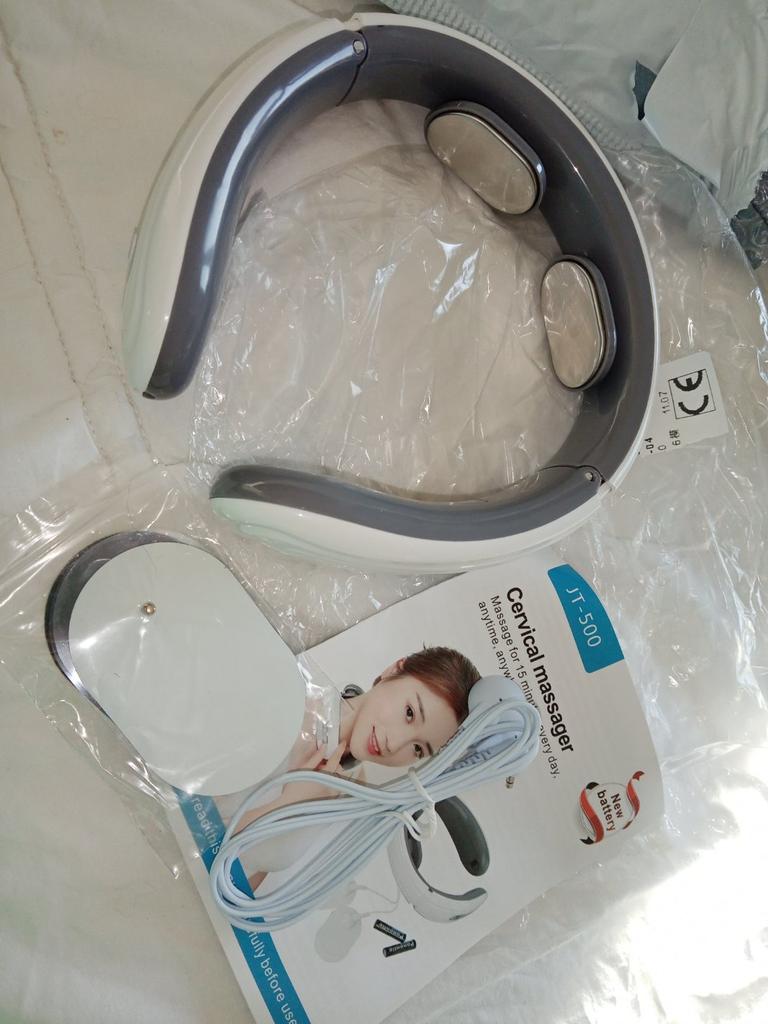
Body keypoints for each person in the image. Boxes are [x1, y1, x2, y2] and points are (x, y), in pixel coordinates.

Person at [231, 646, 481, 887]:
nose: (394, 744)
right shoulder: (292, 698)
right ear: (394, 670)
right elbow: (208, 826)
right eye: (409, 713)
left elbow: (253, 872)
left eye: (418, 749)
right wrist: (286, 803)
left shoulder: (352, 795)